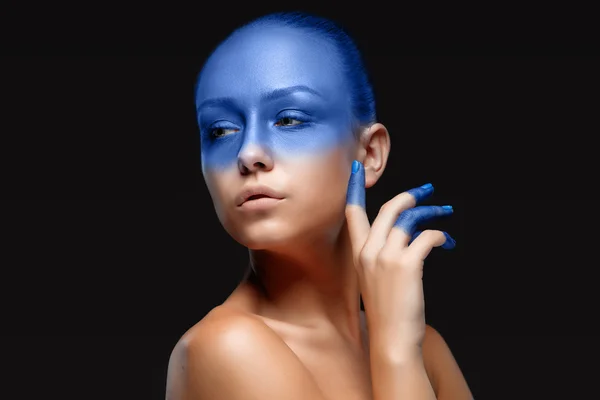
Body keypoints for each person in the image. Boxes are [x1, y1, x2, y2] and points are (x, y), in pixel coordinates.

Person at [166, 11, 473, 400]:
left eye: (289, 120)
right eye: (220, 130)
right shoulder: (227, 345)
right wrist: (395, 355)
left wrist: (397, 344)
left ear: (370, 152)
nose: (248, 153)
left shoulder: (424, 345)